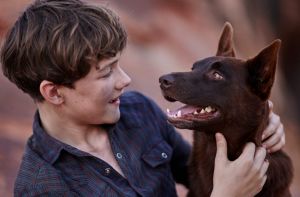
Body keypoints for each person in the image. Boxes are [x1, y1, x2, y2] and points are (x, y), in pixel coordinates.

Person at [0, 0, 285, 196]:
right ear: (53, 92)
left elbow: (198, 173)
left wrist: (261, 124)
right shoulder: (41, 187)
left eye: (119, 65)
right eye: (105, 73)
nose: (125, 80)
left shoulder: (139, 111)